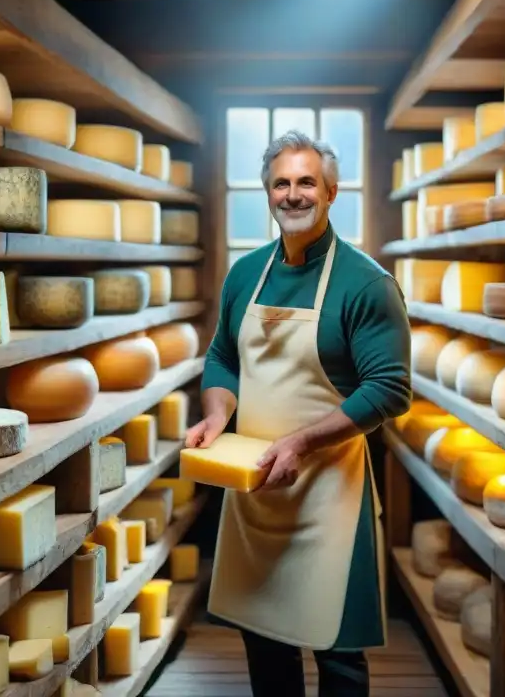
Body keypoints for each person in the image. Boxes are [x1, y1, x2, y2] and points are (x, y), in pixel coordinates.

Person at [185, 129, 413, 696]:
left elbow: (390, 388)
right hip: (256, 488)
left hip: (328, 494)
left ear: (331, 191)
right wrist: (218, 414)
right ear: (269, 194)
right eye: (281, 183)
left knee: (337, 656)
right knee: (264, 642)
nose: (293, 194)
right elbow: (221, 357)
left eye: (306, 182)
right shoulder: (246, 273)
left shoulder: (367, 284)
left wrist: (301, 443)